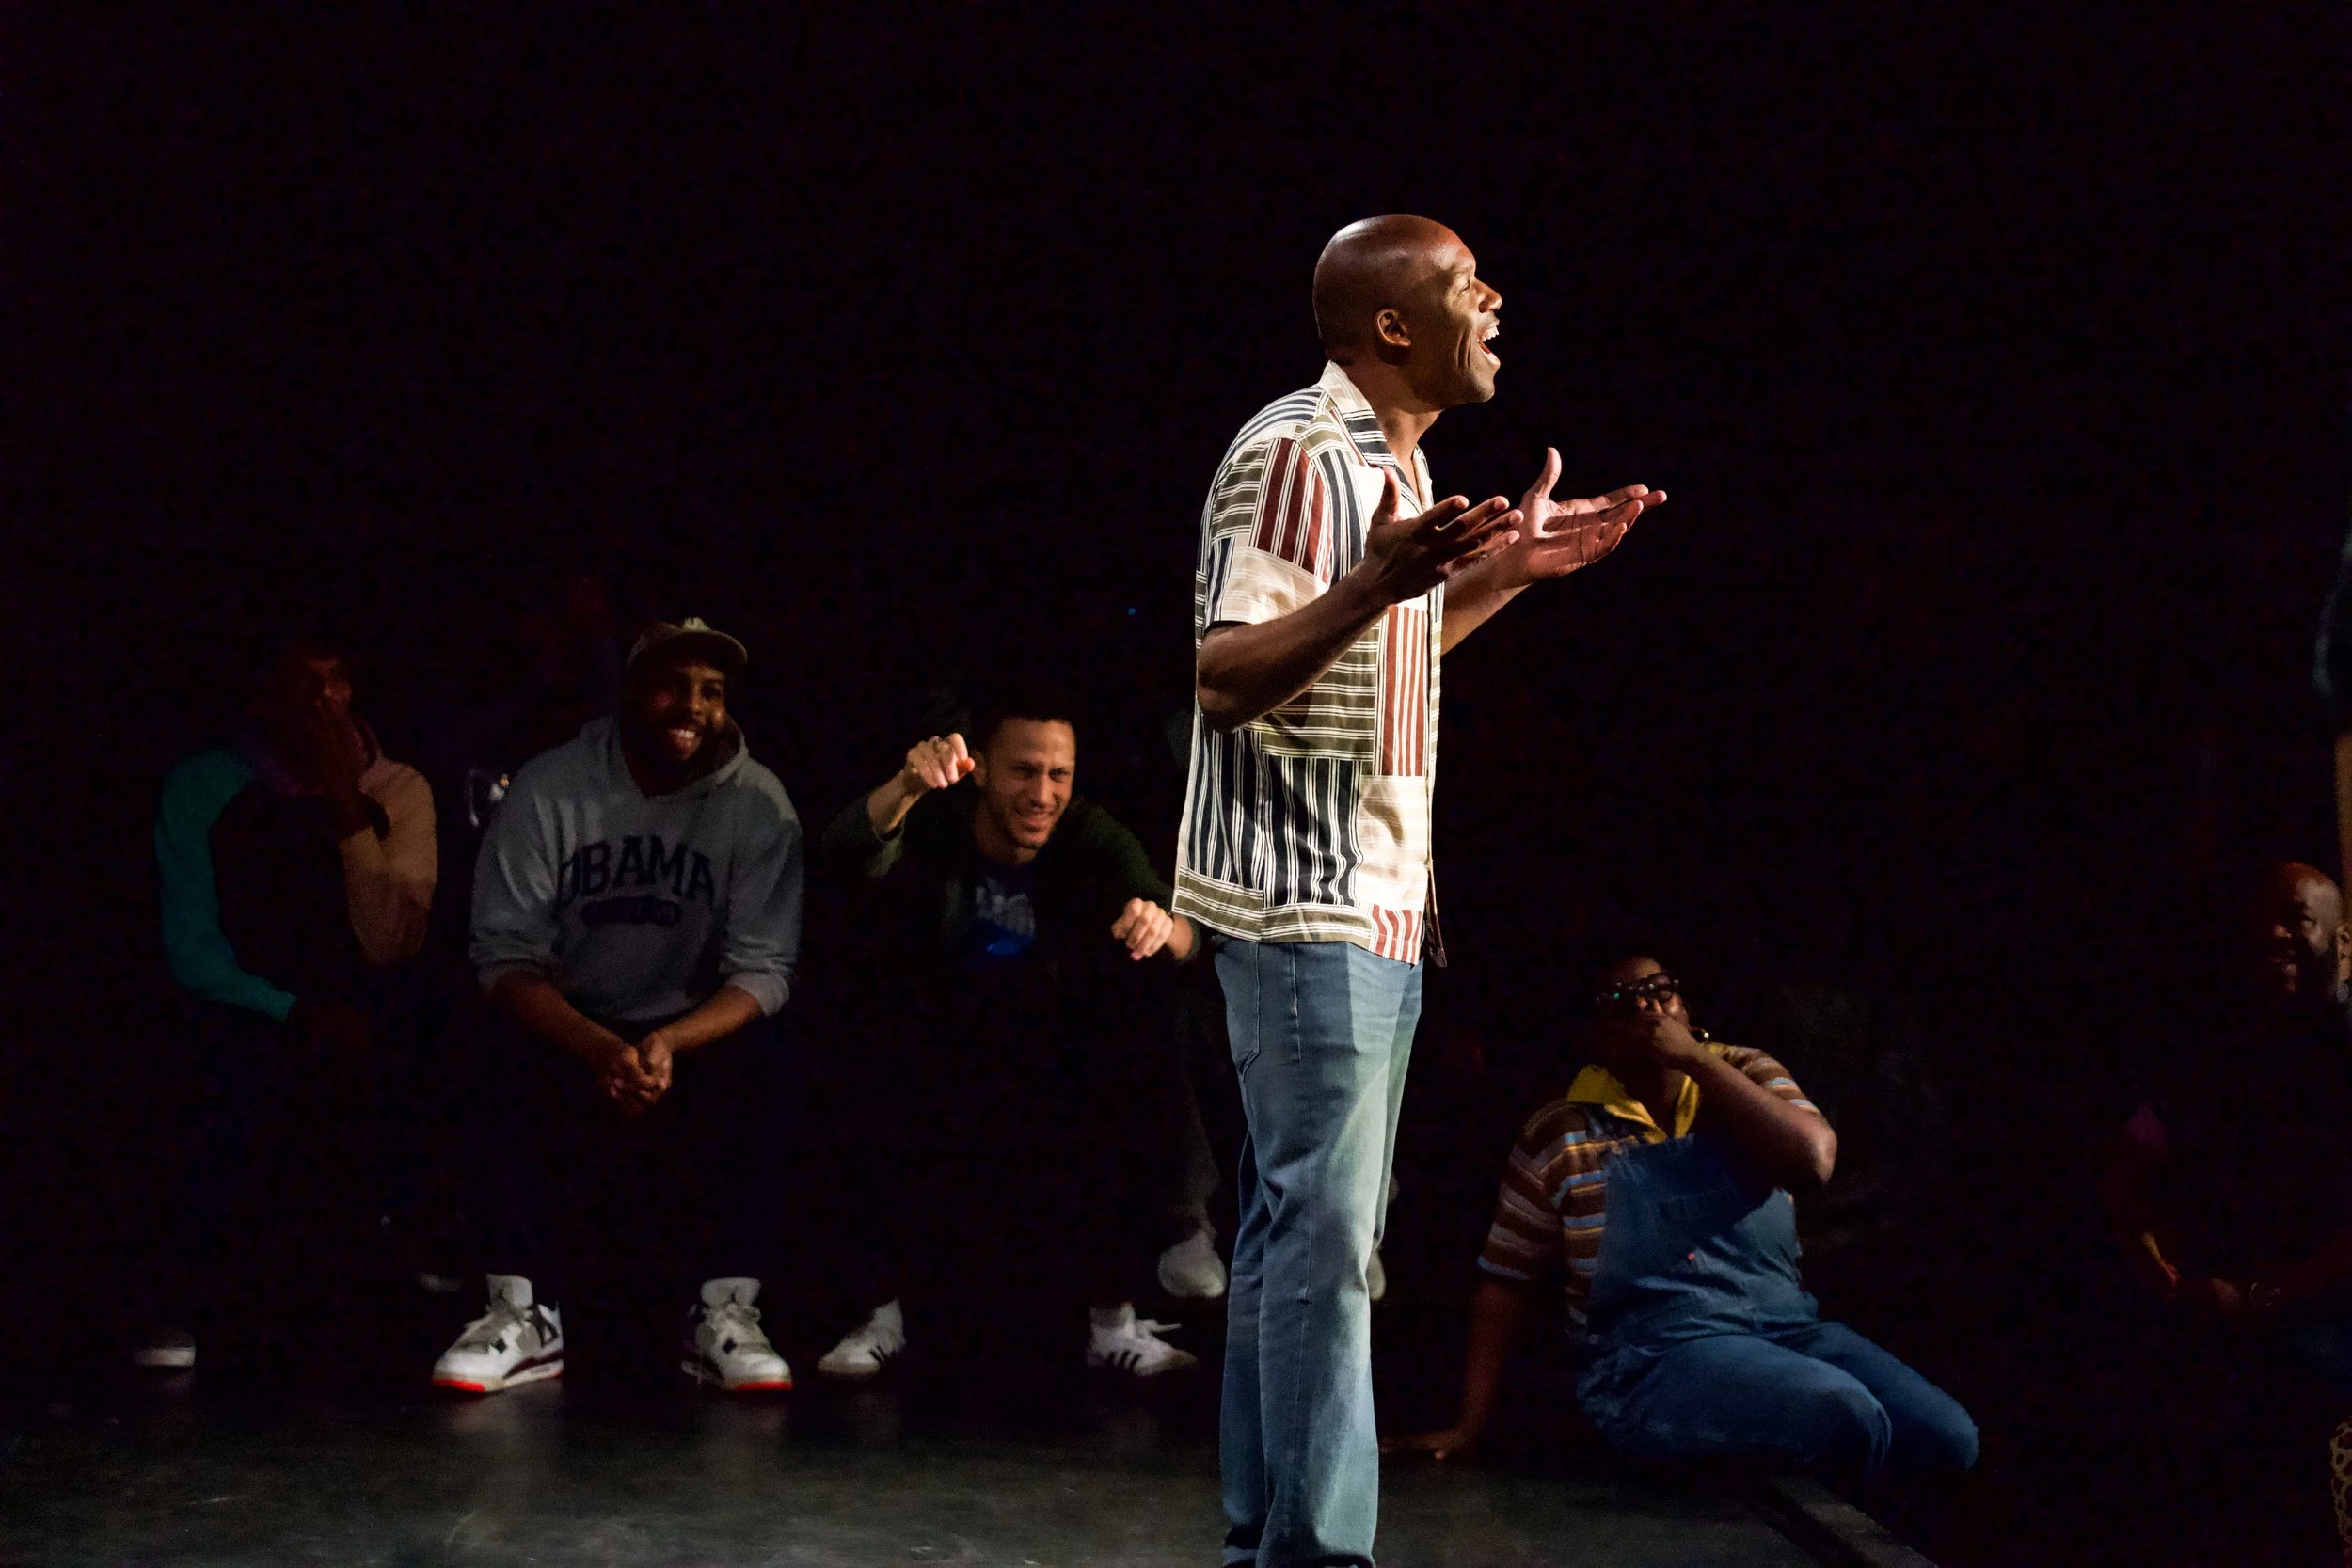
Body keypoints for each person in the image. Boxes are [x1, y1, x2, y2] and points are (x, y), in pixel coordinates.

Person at [1178, 214, 1666, 1566]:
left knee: (1299, 1234)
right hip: (1305, 897)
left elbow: (1383, 648)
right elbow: (1224, 673)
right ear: (1393, 325)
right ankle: (1314, 1549)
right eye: (1464, 282)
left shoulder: (1400, 466)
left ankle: (1272, 1539)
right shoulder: (1295, 452)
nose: (1493, 296)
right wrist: (1376, 580)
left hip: (1377, 899)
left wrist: (1505, 573)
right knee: (1325, 1240)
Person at [1397, 956, 1978, 1492]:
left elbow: (1812, 1160)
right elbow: (1504, 1282)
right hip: (1651, 1360)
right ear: (1596, 1034)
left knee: (1947, 1436)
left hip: (1784, 1328)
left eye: (1660, 991)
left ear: (1686, 1008)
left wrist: (1697, 1061)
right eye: (1623, 1001)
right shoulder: (1562, 1131)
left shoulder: (1744, 1074)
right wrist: (1471, 1425)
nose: (1648, 1008)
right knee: (1845, 1412)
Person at [432, 618, 804, 1395]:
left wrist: (667, 1042)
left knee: (771, 1059)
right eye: (673, 685)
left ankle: (723, 1311)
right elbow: (504, 956)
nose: (692, 706)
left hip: (687, 1030)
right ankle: (523, 1311)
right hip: (573, 1022)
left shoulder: (757, 801)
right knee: (483, 1042)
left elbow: (764, 969)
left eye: (711, 691)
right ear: (630, 691)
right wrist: (599, 1047)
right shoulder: (550, 786)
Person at [813, 697, 1206, 1380]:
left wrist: (1159, 925)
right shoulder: (938, 817)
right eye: (1024, 771)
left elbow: (1184, 937)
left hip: (1046, 1046)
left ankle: (1114, 1322)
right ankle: (879, 1315)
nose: (1042, 794)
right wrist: (906, 784)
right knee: (856, 1060)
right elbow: (845, 853)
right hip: (937, 1036)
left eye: (1059, 774)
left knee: (1137, 1054)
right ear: (983, 772)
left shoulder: (1089, 833)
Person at [147, 637, 439, 1369]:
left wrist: (343, 798)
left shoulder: (400, 787)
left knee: (421, 1036)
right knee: (213, 1062)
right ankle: (180, 1290)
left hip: (363, 994)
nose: (322, 700)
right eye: (301, 682)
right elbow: (191, 950)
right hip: (253, 1001)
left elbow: (390, 942)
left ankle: (401, 1268)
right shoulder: (204, 784)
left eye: (335, 678)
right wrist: (295, 1011)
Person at [2102, 861, 2352, 1556]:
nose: (2274, 934)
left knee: (2283, 1384)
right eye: (2263, 921)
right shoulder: (2236, 1039)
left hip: (2328, 1302)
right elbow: (2141, 1142)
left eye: (2296, 919)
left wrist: (2260, 1297)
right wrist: (2141, 1241)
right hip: (2239, 1286)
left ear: (2342, 941)